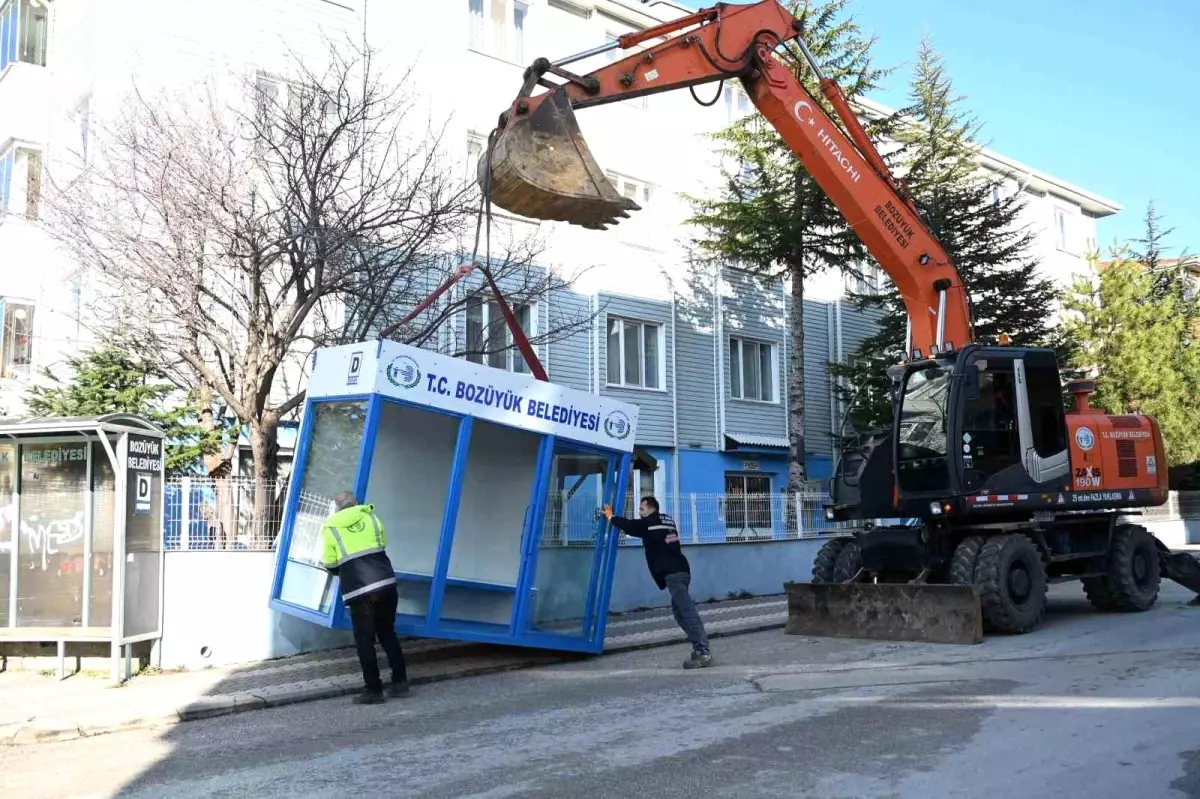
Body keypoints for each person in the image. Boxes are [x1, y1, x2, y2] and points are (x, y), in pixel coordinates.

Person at [321, 491, 410, 704]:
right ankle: (400, 682)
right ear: (356, 503)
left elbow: (330, 563)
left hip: (360, 591)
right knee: (387, 632)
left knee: (365, 641)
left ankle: (373, 690)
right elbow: (382, 544)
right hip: (386, 583)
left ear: (337, 507)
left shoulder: (331, 528)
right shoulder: (371, 517)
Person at [604, 495, 712, 669]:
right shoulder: (667, 520)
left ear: (650, 509)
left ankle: (703, 651)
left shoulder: (649, 523)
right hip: (682, 570)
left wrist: (611, 517)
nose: (640, 512)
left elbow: (630, 526)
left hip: (673, 574)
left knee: (687, 612)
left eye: (641, 509)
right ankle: (698, 647)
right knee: (680, 613)